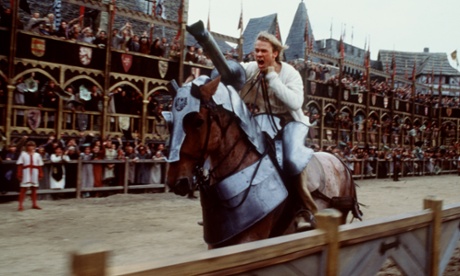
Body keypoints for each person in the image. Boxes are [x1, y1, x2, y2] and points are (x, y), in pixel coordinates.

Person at [239, 31, 317, 231]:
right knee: (243, 154)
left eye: (263, 51)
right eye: (256, 50)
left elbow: (295, 102)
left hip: (292, 121)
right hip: (265, 119)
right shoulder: (251, 68)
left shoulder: (290, 73)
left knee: (291, 160)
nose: (258, 55)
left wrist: (273, 77)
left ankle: (303, 209)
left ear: (274, 53)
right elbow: (234, 72)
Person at [16, 141, 44, 211]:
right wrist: (19, 174)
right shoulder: (23, 154)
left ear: (34, 147)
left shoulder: (37, 155)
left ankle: (34, 204)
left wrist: (40, 174)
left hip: (34, 172)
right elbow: (20, 164)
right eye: (29, 146)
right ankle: (20, 205)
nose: (31, 147)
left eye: (32, 146)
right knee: (23, 189)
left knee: (34, 189)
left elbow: (40, 165)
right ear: (27, 147)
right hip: (26, 172)